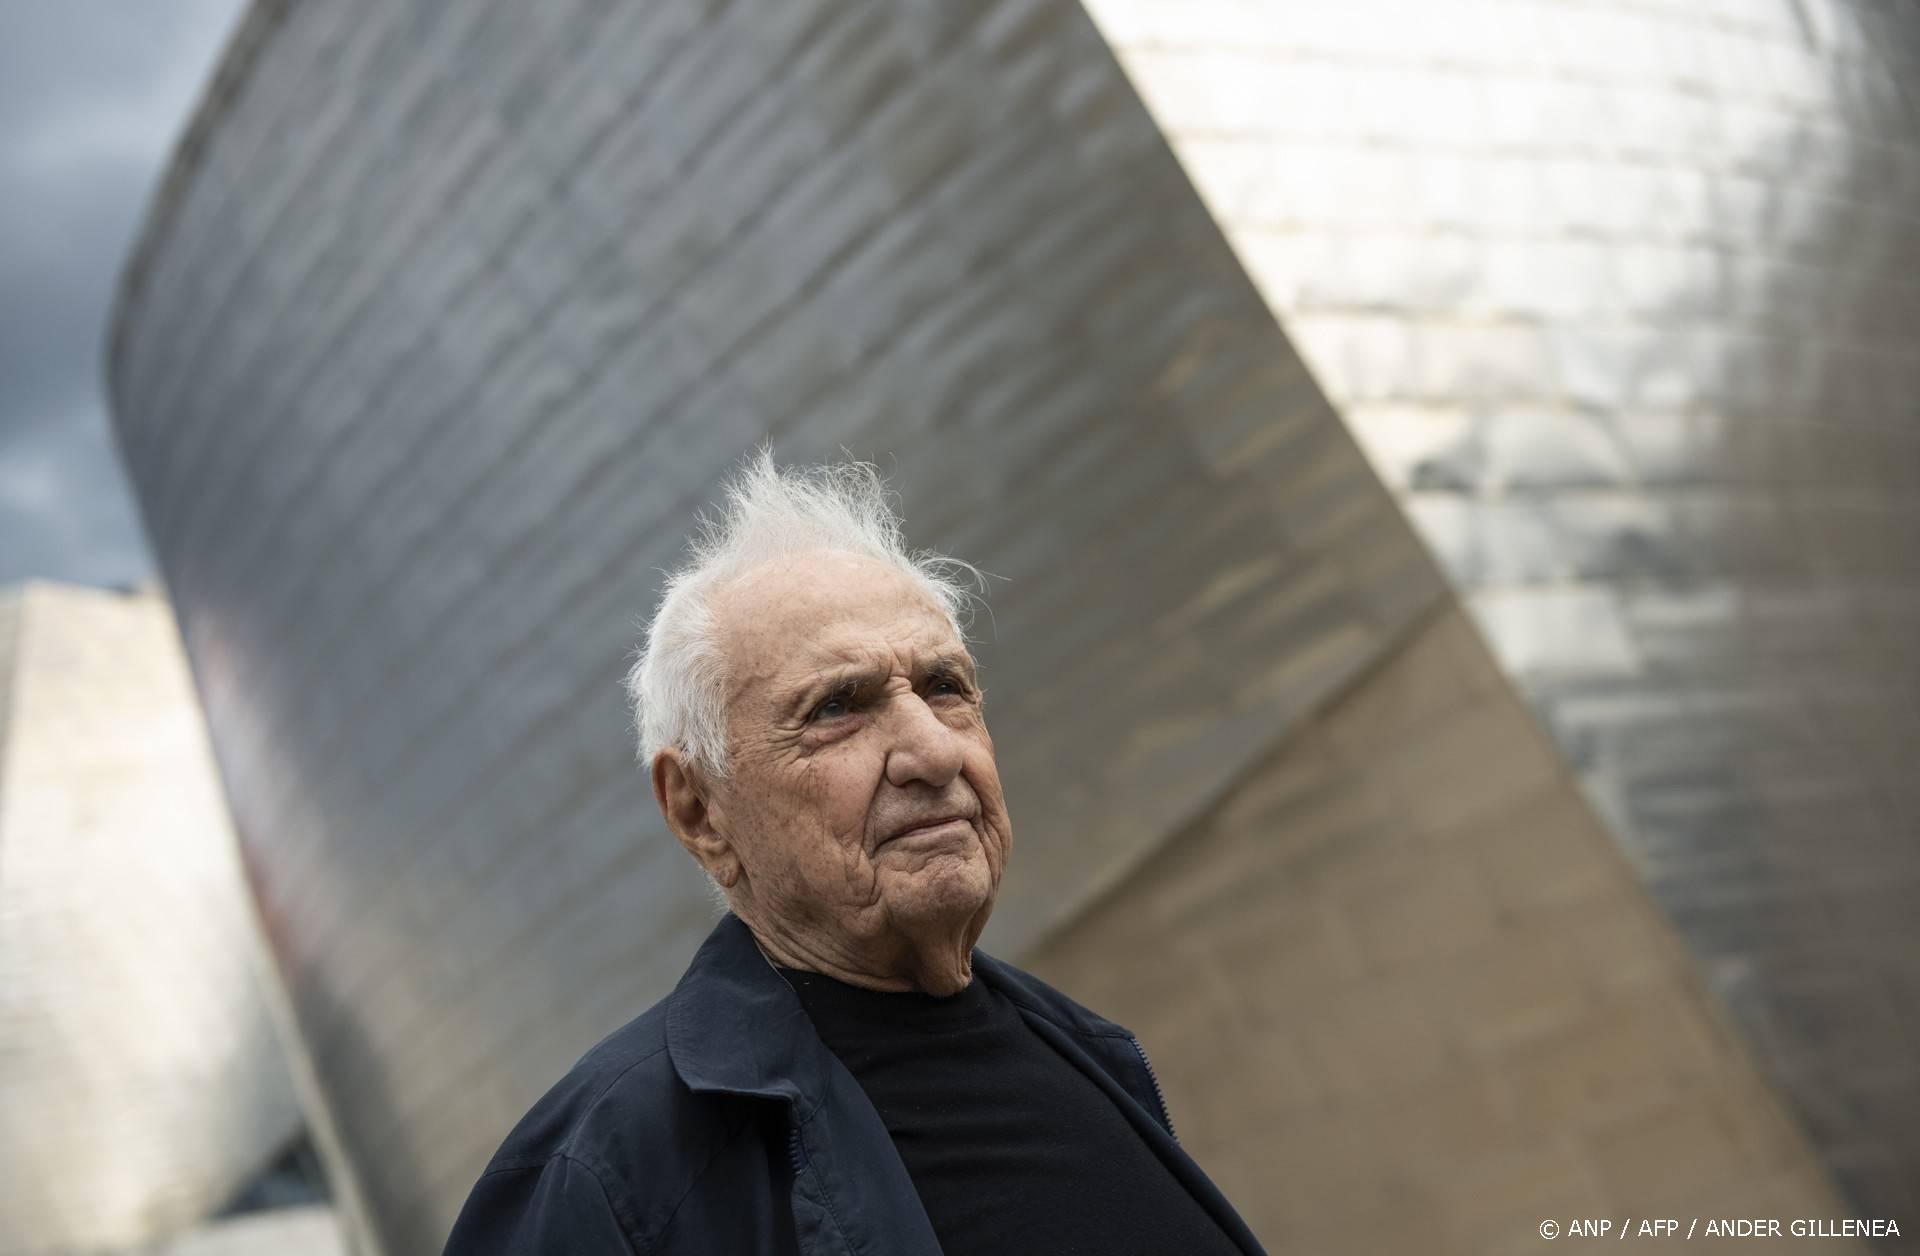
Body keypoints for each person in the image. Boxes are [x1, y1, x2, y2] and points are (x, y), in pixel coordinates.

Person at [442, 445, 1267, 1255]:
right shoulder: (605, 1183)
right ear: (699, 812)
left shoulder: (1092, 1053)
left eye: (945, 687)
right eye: (840, 707)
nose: (934, 754)